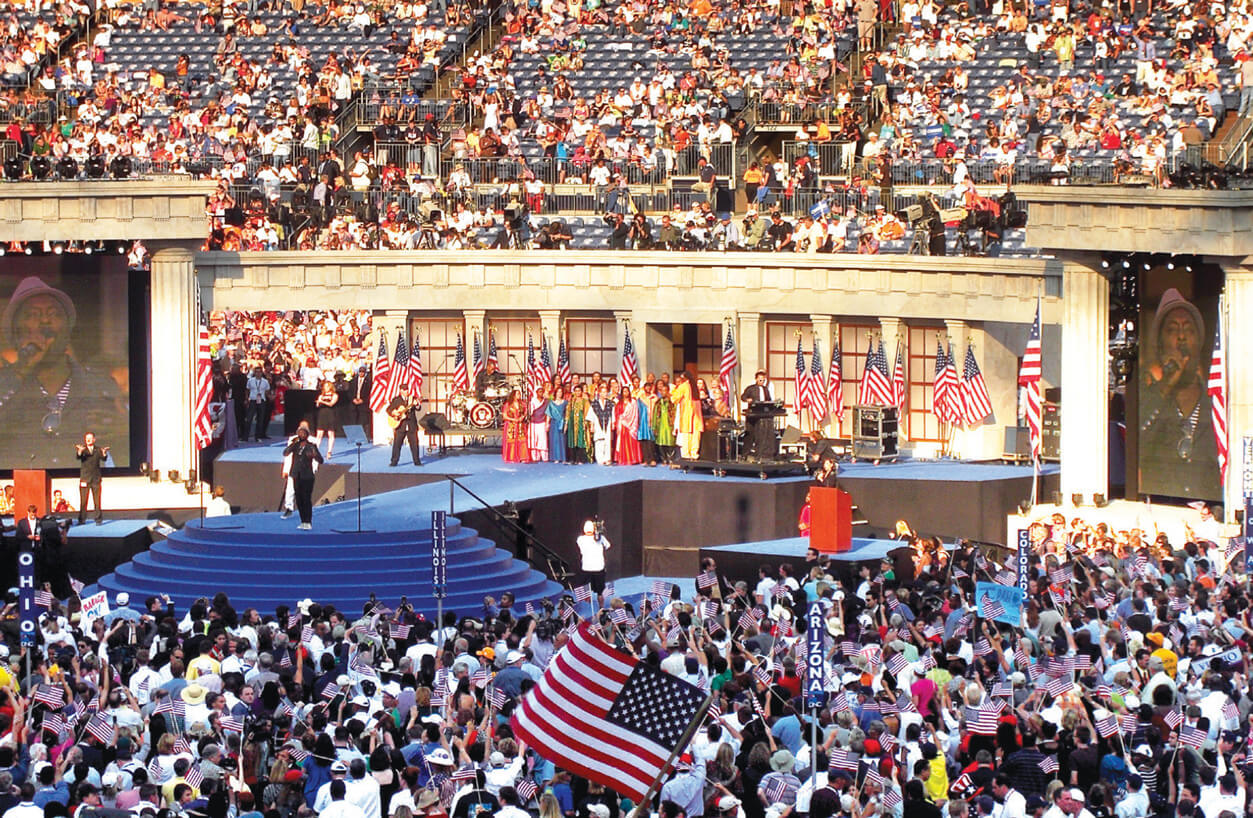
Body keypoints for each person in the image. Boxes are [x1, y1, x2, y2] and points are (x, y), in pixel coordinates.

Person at [0, 277, 126, 467]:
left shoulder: (100, 386)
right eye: (33, 315)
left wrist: (121, 428)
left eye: (53, 314)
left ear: (68, 329)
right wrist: (24, 367)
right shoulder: (6, 385)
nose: (44, 321)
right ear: (16, 332)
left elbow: (121, 450)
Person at [1139, 288, 1218, 500]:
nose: (1182, 337)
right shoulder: (1149, 399)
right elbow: (1139, 437)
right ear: (1160, 341)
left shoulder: (1216, 403)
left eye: (1189, 330)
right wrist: (1167, 382)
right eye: (1172, 330)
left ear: (1199, 341)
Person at [283, 426, 323, 529]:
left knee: (306, 499)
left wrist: (314, 455)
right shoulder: (295, 446)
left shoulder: (311, 446)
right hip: (296, 475)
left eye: (303, 433)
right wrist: (292, 443)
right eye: (299, 433)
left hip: (307, 476)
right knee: (299, 499)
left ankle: (308, 521)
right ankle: (302, 521)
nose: (301, 435)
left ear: (307, 435)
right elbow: (285, 453)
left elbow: (321, 460)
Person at [75, 432, 108, 524]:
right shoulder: (83, 449)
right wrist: (80, 451)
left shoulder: (98, 449)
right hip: (85, 478)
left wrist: (104, 453)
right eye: (87, 438)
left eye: (90, 438)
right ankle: (81, 520)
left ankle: (98, 519)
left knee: (97, 501)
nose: (88, 440)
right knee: (83, 501)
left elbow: (103, 458)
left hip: (96, 479)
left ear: (94, 439)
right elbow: (78, 457)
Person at [741, 370, 775, 461]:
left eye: (763, 380)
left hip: (762, 414)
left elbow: (769, 400)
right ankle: (745, 453)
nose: (762, 382)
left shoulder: (766, 389)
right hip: (752, 414)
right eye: (760, 380)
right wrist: (747, 399)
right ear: (756, 379)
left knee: (760, 435)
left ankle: (760, 454)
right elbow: (743, 397)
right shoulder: (751, 388)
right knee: (750, 434)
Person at [387, 382, 423, 467]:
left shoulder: (412, 398)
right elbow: (388, 409)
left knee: (414, 444)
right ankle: (394, 461)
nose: (406, 391)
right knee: (397, 444)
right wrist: (394, 413)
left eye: (407, 389)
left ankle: (417, 461)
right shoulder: (396, 400)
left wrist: (417, 404)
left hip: (411, 425)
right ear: (401, 391)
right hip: (400, 426)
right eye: (404, 389)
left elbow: (418, 408)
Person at [671, 372, 702, 461]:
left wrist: (673, 390)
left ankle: (686, 454)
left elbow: (674, 399)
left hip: (687, 412)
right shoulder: (695, 386)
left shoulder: (684, 386)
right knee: (695, 434)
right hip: (697, 413)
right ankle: (694, 453)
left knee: (687, 433)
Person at [575, 519, 610, 594]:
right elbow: (608, 546)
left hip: (586, 568)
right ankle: (601, 606)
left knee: (585, 590)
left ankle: (586, 604)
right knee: (600, 592)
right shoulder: (601, 538)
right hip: (598, 568)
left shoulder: (580, 539)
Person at [614, 386, 641, 465]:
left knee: (631, 441)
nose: (625, 393)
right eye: (624, 391)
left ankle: (633, 459)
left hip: (631, 425)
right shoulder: (619, 403)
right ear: (622, 393)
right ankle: (623, 459)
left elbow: (635, 413)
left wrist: (632, 423)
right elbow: (617, 413)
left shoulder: (633, 402)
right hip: (622, 425)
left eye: (627, 391)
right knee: (623, 442)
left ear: (629, 392)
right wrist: (620, 419)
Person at [589, 384, 615, 464]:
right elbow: (591, 415)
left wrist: (613, 423)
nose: (605, 394)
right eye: (603, 392)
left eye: (606, 392)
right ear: (599, 393)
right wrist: (592, 425)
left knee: (607, 441)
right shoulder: (594, 403)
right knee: (599, 440)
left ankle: (607, 458)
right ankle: (600, 458)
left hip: (607, 423)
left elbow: (612, 414)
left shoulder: (610, 403)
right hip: (598, 423)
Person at [565, 384, 591, 464]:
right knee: (572, 440)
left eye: (579, 391)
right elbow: (568, 412)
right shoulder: (571, 401)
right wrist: (566, 423)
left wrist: (585, 422)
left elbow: (587, 412)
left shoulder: (585, 401)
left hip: (581, 422)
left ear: (581, 392)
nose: (577, 392)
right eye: (576, 391)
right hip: (572, 423)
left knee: (580, 440)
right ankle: (573, 459)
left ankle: (581, 459)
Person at [313, 380, 340, 458]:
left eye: (327, 386)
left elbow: (331, 404)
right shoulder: (321, 395)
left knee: (330, 433)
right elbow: (317, 405)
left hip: (330, 415)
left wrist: (322, 401)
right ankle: (316, 450)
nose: (326, 388)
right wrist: (318, 402)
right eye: (325, 386)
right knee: (319, 434)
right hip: (322, 415)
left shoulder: (334, 395)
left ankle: (329, 451)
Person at [244, 366, 271, 441]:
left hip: (261, 401)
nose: (258, 373)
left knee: (260, 419)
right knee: (249, 419)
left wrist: (265, 396)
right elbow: (247, 390)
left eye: (259, 372)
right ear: (254, 373)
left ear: (262, 373)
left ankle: (258, 437)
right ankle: (245, 437)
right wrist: (247, 399)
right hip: (253, 400)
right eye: (256, 372)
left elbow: (267, 391)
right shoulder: (250, 381)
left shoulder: (265, 381)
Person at [502, 389, 529, 463]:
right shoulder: (508, 404)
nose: (519, 395)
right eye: (517, 394)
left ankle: (522, 457)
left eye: (519, 394)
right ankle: (511, 457)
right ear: (513, 395)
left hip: (520, 425)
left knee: (522, 440)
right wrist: (513, 419)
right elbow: (504, 416)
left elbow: (525, 412)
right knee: (512, 441)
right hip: (511, 425)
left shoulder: (522, 404)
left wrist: (522, 417)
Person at [348, 365, 373, 437]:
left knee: (364, 421)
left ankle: (364, 436)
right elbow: (349, 392)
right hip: (354, 403)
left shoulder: (368, 382)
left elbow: (370, 393)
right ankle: (354, 436)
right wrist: (353, 399)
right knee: (353, 420)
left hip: (363, 404)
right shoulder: (352, 381)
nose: (361, 373)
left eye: (363, 372)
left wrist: (363, 400)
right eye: (360, 372)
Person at [528, 385, 550, 462]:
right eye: (539, 391)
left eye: (542, 391)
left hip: (542, 422)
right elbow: (529, 413)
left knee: (543, 440)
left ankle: (544, 457)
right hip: (533, 423)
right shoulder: (532, 402)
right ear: (536, 392)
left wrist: (547, 423)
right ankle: (535, 457)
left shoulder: (546, 401)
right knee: (534, 439)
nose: (541, 393)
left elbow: (548, 413)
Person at [547, 386, 567, 463]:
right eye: (558, 392)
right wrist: (547, 424)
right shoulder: (551, 403)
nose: (559, 393)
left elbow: (567, 414)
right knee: (554, 440)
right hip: (554, 423)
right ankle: (556, 457)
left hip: (562, 423)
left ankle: (563, 457)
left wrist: (566, 424)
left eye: (561, 392)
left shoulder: (565, 402)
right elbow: (549, 414)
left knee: (562, 440)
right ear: (555, 393)